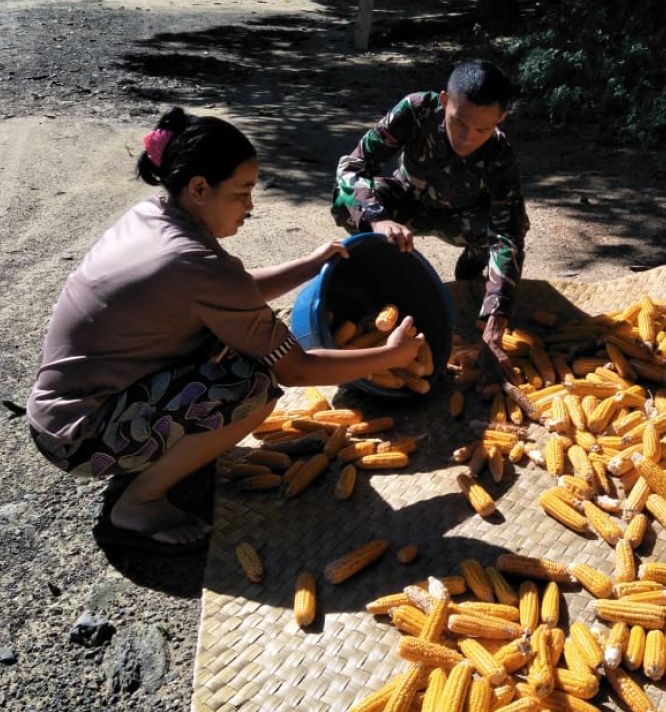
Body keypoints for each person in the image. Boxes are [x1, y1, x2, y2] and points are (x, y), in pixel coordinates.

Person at [27, 108, 424, 554]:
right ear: (199, 188)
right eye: (242, 193)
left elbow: (232, 292)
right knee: (252, 386)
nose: (250, 207)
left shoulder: (157, 213)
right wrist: (390, 357)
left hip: (65, 409)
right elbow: (295, 368)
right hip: (80, 437)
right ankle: (137, 504)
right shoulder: (194, 263)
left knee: (231, 344)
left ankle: (170, 451)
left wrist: (309, 265)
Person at [331, 59, 528, 378]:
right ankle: (372, 270)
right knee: (346, 201)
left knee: (507, 227)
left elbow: (508, 234)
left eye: (481, 129)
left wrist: (496, 317)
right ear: (445, 101)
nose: (466, 139)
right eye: (459, 123)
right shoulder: (416, 109)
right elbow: (354, 166)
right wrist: (379, 219)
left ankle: (472, 265)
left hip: (462, 220)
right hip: (408, 203)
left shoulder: (500, 155)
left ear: (500, 119)